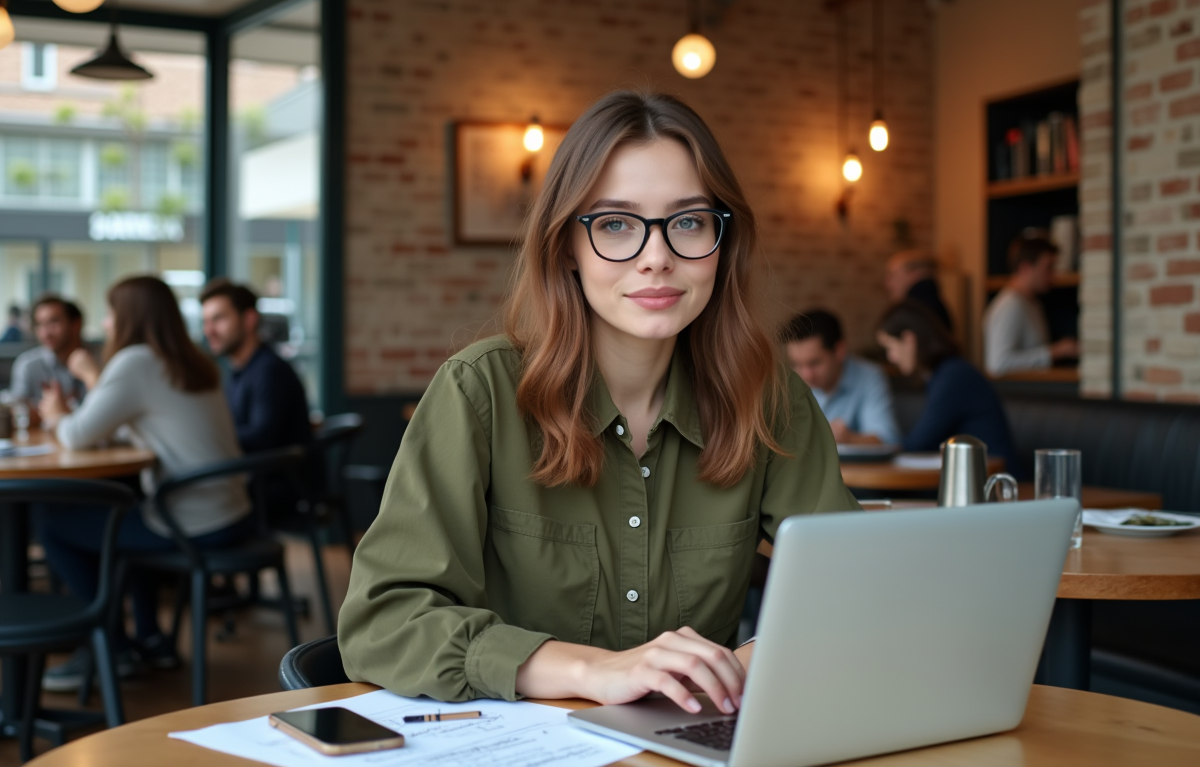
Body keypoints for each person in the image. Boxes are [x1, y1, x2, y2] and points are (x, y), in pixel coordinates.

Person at [338, 91, 860, 715]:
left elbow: (855, 584)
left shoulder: (770, 398)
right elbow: (382, 622)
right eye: (616, 224)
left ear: (723, 244)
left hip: (693, 742)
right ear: (566, 248)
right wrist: (593, 670)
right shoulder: (480, 392)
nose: (657, 257)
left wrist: (742, 666)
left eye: (689, 221)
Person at [35, 276, 253, 690]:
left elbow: (78, 435)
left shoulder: (136, 361)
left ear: (129, 316)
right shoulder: (190, 359)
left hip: (192, 519)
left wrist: (57, 412)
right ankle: (151, 639)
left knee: (51, 524)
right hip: (232, 510)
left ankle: (111, 648)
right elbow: (142, 426)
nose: (107, 321)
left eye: (111, 312)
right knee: (128, 515)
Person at [199, 279, 313, 514]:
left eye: (219, 319)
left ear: (249, 320)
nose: (209, 330)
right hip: (256, 480)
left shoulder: (269, 371)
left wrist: (208, 437)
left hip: (278, 487)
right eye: (205, 322)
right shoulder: (238, 371)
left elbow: (262, 439)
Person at [876, 300, 1022, 478]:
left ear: (909, 339)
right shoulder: (946, 374)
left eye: (890, 348)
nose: (891, 358)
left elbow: (917, 444)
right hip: (977, 478)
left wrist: (873, 446)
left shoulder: (953, 377)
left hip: (998, 485)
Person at [781, 310, 900, 446]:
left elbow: (888, 440)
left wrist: (848, 438)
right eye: (796, 364)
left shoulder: (869, 377)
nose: (806, 375)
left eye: (814, 363)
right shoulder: (788, 383)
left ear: (839, 351)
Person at [983, 237, 1079, 376]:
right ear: (1025, 268)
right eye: (1048, 268)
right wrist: (1055, 352)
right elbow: (998, 364)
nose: (1054, 276)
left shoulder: (1032, 303)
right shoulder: (1011, 305)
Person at [9, 296, 88, 423]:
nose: (46, 333)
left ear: (76, 324)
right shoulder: (27, 365)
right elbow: (18, 413)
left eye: (54, 322)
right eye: (40, 324)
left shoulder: (99, 362)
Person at [884, 249, 953, 331]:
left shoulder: (913, 310)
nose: (888, 283)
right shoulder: (933, 304)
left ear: (915, 274)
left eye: (892, 275)